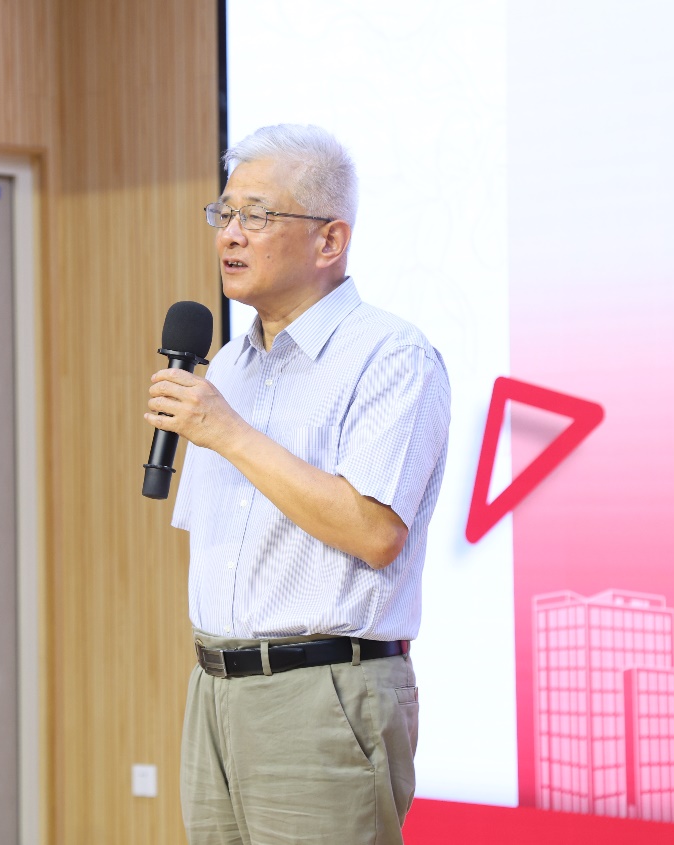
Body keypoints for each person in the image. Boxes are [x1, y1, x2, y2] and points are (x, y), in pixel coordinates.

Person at [144, 124, 451, 845]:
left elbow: (375, 531)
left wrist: (229, 432)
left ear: (329, 240)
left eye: (256, 215)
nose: (229, 235)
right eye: (224, 213)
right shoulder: (227, 365)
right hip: (214, 687)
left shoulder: (390, 355)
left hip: (323, 693)